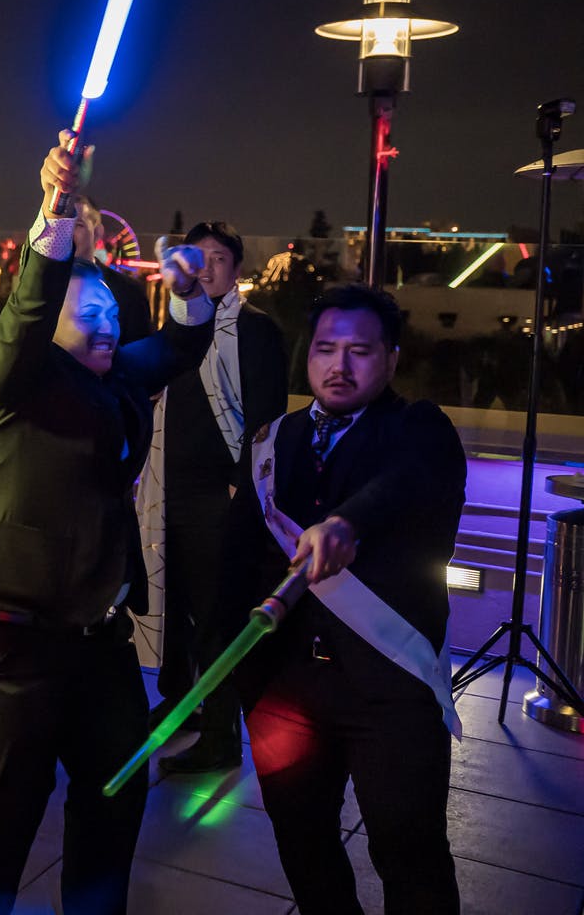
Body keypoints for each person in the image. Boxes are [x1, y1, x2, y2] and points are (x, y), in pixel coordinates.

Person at [0, 133, 211, 915]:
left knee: (115, 798)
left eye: (108, 313)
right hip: (8, 633)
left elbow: (183, 344)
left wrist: (191, 289)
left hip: (97, 638)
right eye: (83, 312)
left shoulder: (118, 371)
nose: (103, 325)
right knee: (9, 813)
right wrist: (53, 221)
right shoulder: (4, 373)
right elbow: (28, 308)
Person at [224, 285, 464, 914]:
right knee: (303, 843)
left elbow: (403, 483)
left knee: (408, 849)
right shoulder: (273, 439)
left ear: (391, 359)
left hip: (390, 690)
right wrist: (243, 680)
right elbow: (238, 558)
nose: (340, 364)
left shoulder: (420, 430)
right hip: (287, 691)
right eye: (326, 348)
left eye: (359, 350)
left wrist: (346, 523)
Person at [137, 221, 288, 772]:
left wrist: (242, 486)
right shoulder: (180, 322)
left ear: (237, 268)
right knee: (174, 607)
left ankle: (221, 738)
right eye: (195, 257)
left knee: (216, 616)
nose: (205, 266)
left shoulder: (256, 329)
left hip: (217, 494)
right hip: (169, 486)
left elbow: (268, 416)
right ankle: (180, 707)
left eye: (218, 257)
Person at [74, 196, 152, 343]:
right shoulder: (41, 286)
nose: (67, 233)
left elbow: (139, 355)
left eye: (78, 225)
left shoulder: (129, 292)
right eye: (61, 226)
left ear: (97, 233)